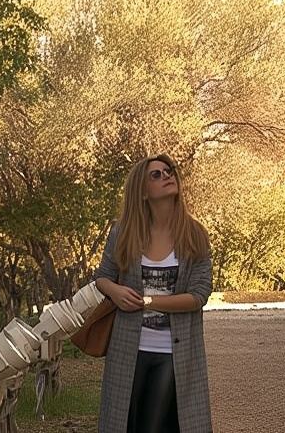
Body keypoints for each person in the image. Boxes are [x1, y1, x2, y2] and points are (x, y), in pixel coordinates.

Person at [93, 155, 213, 433]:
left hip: (174, 353)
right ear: (143, 192)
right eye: (156, 175)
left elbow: (199, 295)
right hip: (127, 350)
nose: (166, 176)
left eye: (168, 172)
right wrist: (115, 290)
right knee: (127, 424)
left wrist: (148, 301)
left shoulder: (194, 235)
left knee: (155, 425)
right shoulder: (122, 232)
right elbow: (102, 277)